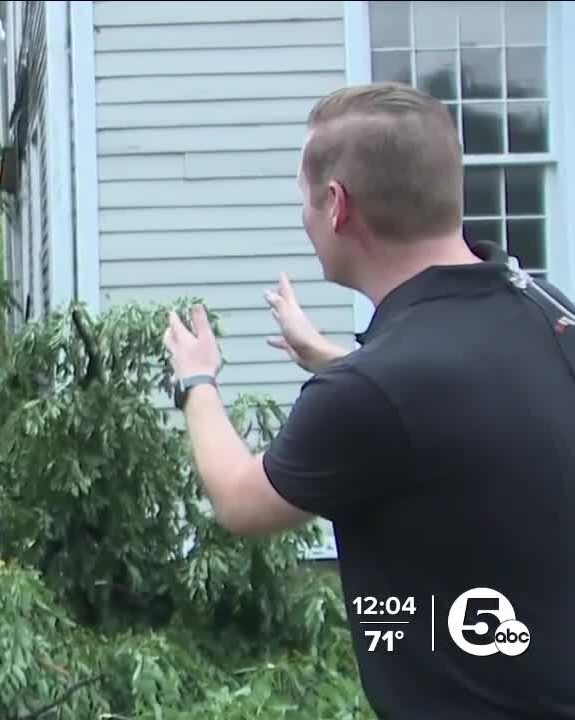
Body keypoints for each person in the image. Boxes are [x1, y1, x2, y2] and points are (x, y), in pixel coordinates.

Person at [161, 81, 575, 719]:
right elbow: (463, 410)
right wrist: (332, 358)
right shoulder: (547, 310)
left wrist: (197, 379)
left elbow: (241, 501)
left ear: (336, 205)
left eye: (303, 197)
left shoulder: (369, 393)